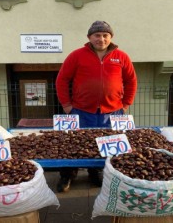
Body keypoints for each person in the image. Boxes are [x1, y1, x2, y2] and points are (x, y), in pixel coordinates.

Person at [55, 20, 138, 192]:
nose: (101, 39)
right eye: (97, 35)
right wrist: (66, 105)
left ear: (111, 37)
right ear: (89, 37)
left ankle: (95, 173)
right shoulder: (76, 55)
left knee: (105, 144)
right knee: (74, 144)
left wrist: (126, 104)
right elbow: (62, 79)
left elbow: (131, 81)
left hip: (113, 111)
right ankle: (67, 175)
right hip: (81, 111)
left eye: (105, 35)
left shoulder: (121, 57)